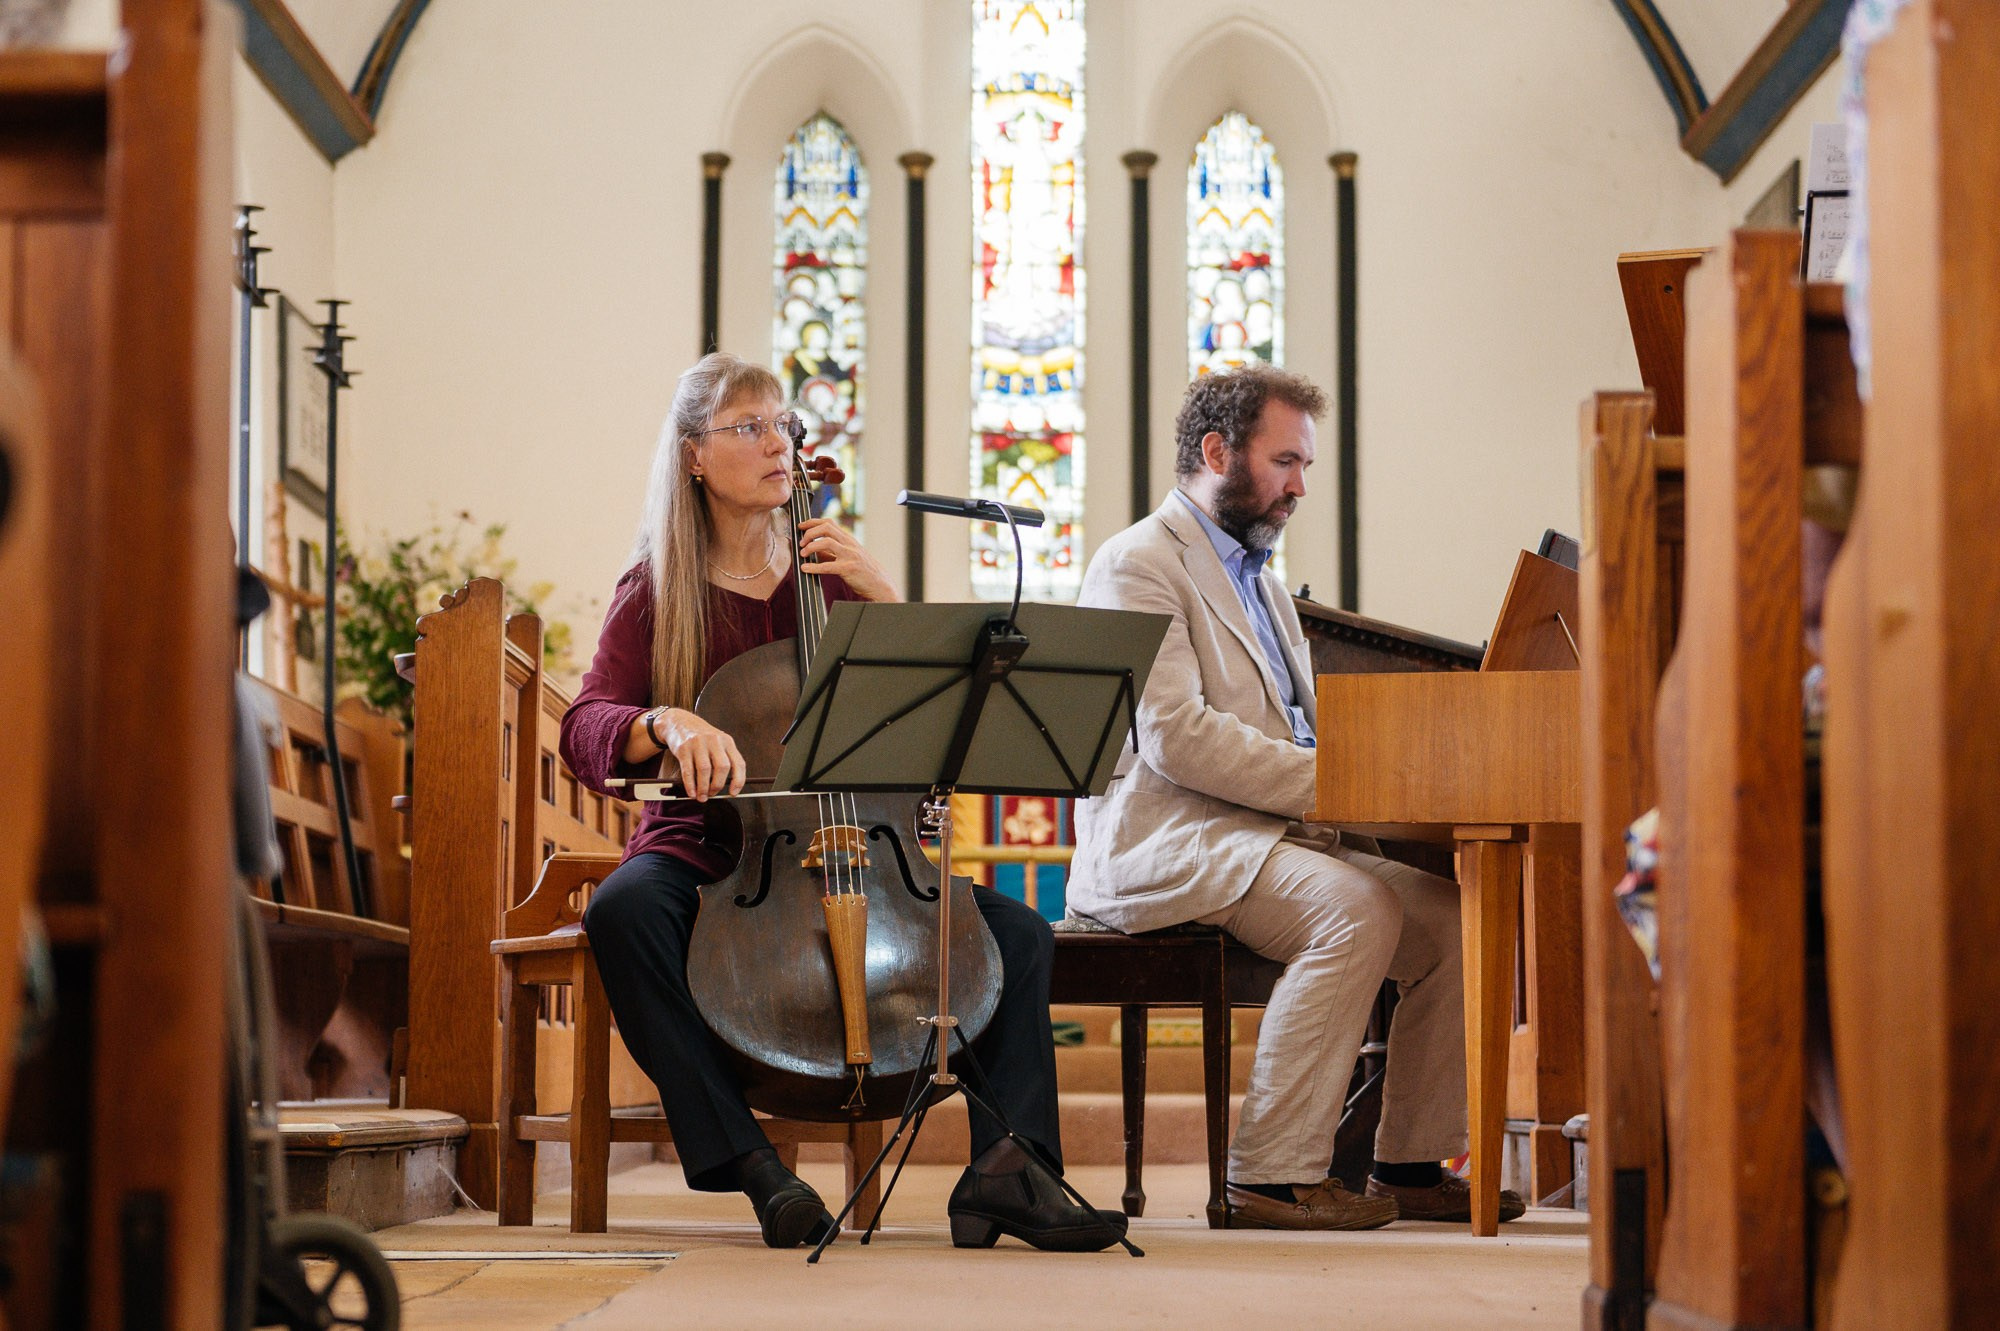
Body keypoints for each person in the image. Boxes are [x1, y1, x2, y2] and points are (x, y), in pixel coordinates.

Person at [560, 352, 1124, 1252]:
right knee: (624, 911)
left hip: (860, 839)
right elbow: (585, 725)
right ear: (695, 457)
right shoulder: (655, 591)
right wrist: (665, 721)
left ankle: (1008, 1173)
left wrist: (888, 604)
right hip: (711, 850)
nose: (777, 441)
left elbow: (932, 733)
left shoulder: (828, 575)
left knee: (1014, 935)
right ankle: (753, 1166)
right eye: (750, 425)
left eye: (783, 423)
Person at [1068, 365, 1525, 1230]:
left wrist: (1389, 776)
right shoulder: (1137, 563)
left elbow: (1299, 730)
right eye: (1286, 462)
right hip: (1168, 837)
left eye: (1304, 466)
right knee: (1355, 909)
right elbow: (1177, 736)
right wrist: (1347, 788)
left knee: (1454, 920)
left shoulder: (1264, 581)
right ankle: (1269, 1176)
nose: (1300, 486)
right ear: (1217, 452)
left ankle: (1409, 1160)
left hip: (1263, 837)